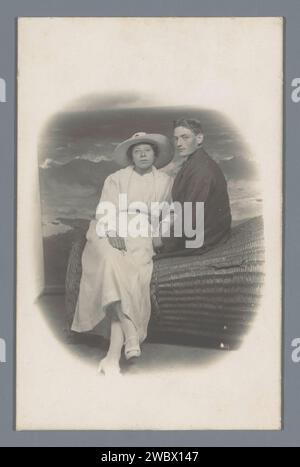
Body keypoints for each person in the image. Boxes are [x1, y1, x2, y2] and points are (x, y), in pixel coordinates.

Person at [71, 132, 173, 375]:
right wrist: (112, 229)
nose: (143, 155)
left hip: (141, 232)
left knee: (129, 275)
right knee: (109, 260)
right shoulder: (115, 178)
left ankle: (111, 356)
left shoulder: (166, 181)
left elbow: (169, 213)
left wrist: (159, 234)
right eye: (137, 151)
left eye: (147, 150)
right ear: (131, 156)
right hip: (108, 229)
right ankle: (131, 333)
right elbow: (105, 208)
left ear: (155, 154)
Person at [157, 118, 232, 257]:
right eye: (176, 138)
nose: (179, 143)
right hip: (199, 228)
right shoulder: (194, 162)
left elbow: (190, 219)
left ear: (199, 138)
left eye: (185, 137)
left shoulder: (201, 170)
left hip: (204, 238)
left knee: (140, 254)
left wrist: (162, 242)